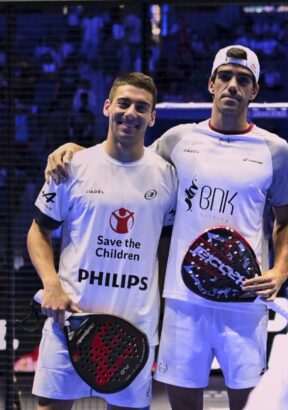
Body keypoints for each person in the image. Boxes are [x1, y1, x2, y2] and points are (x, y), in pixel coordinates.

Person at [44, 45, 288, 410]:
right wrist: (75, 151)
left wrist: (281, 269)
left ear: (254, 90)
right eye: (225, 76)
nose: (233, 85)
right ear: (211, 84)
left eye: (243, 80)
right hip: (183, 303)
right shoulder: (178, 140)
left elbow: (286, 220)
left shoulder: (275, 149)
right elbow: (125, 157)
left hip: (244, 303)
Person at [27, 72, 177, 409]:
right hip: (69, 322)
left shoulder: (168, 177)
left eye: (141, 107)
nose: (131, 113)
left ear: (152, 117)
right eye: (124, 103)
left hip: (134, 330)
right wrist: (51, 285)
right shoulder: (72, 167)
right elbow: (38, 231)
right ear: (107, 107)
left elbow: (168, 246)